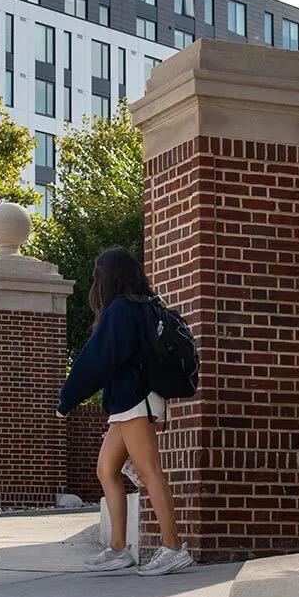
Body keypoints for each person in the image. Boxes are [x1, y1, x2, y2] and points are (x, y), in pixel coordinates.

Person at [57, 246, 193, 576]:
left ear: (110, 275)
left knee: (149, 471)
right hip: (128, 401)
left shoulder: (123, 310)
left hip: (136, 398)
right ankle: (119, 548)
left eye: (98, 273)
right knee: (107, 469)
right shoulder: (143, 306)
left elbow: (97, 359)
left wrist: (67, 400)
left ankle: (173, 546)